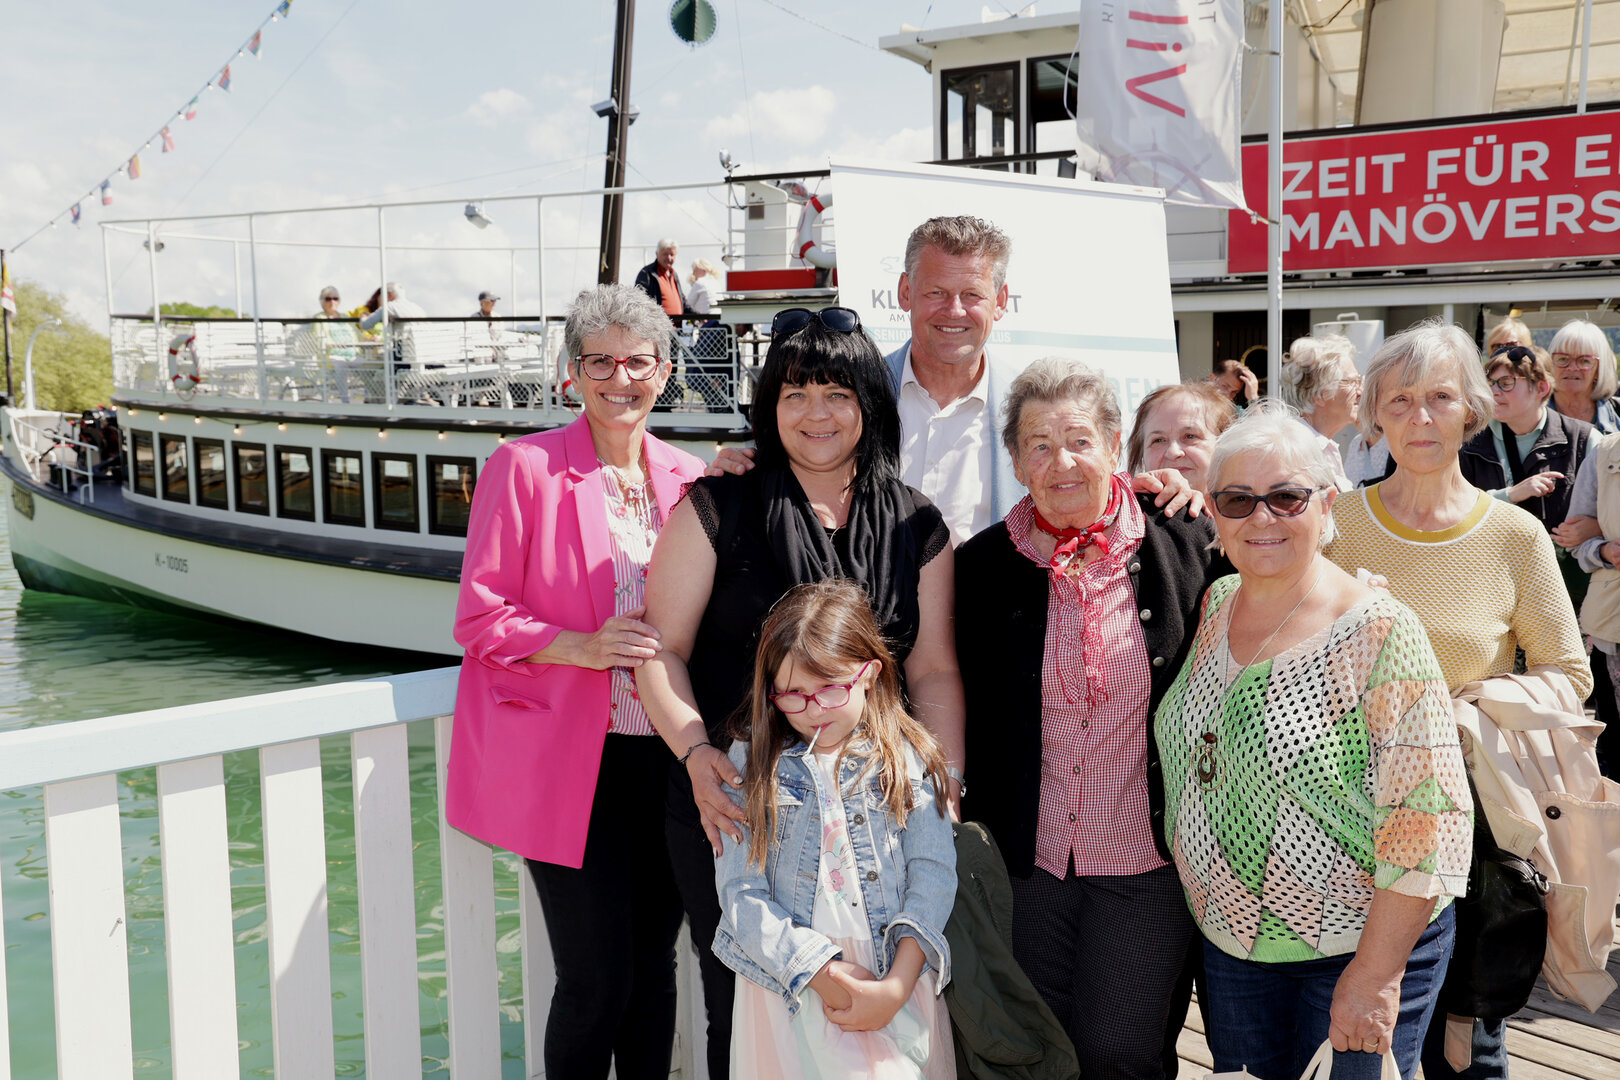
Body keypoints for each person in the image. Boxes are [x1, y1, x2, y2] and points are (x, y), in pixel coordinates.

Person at [637, 306, 965, 1078]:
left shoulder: (917, 521)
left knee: (892, 998)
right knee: (745, 1003)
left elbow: (934, 668)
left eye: (838, 394)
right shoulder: (718, 505)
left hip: (881, 807)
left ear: (869, 404)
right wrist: (693, 754)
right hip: (742, 806)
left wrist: (946, 773)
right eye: (795, 394)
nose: (816, 413)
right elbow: (660, 650)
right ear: (769, 407)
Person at [1155, 404, 1469, 1080]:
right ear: (1213, 509)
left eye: (1286, 497)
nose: (1261, 519)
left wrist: (1376, 975)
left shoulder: (1380, 630)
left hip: (1361, 947)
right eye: (1239, 500)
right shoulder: (1216, 605)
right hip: (1234, 948)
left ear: (1325, 505)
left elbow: (1428, 824)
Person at [445, 283, 705, 1080]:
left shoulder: (691, 476)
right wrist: (577, 646)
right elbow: (479, 618)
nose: (618, 378)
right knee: (595, 979)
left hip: (668, 754)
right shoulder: (523, 468)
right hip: (572, 761)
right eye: (600, 361)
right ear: (573, 371)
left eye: (637, 361)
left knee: (655, 969)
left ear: (664, 372)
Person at [1323, 319, 1592, 1080]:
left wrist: (1464, 705)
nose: (1420, 418)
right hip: (1344, 826)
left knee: (1466, 1048)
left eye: (1439, 397)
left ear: (1471, 408)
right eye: (1400, 401)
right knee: (1356, 1034)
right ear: (1374, 415)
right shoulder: (1336, 526)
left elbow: (1571, 675)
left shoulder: (1514, 535)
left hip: (1471, 831)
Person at [954, 356, 1230, 1079]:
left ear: (1116, 447)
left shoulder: (1188, 544)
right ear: (1015, 461)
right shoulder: (978, 567)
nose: (1062, 461)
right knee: (1038, 1047)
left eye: (1079, 440)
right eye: (1039, 445)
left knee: (1122, 1051)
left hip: (1146, 859)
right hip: (1029, 861)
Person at [706, 217, 1199, 545]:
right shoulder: (848, 396)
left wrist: (1161, 491)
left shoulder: (1030, 411)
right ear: (904, 292)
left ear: (1001, 301)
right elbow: (790, 463)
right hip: (856, 649)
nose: (954, 311)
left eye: (972, 294)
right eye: (937, 292)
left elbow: (1082, 485)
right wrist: (743, 465)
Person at [714, 580, 957, 1078]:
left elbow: (933, 875)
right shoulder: (750, 765)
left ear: (869, 674)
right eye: (794, 695)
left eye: (830, 688)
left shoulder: (907, 760)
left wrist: (896, 986)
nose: (814, 709)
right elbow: (741, 892)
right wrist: (820, 974)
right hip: (790, 985)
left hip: (894, 973)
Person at [1463, 344, 1596, 603]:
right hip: (1492, 589)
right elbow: (1454, 510)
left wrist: (1595, 526)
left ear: (1542, 388)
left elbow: (1613, 509)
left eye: (1506, 382)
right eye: (1490, 383)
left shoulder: (1586, 439)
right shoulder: (1469, 443)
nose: (1494, 392)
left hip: (1568, 593)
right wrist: (1510, 494)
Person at [1278, 334, 1360, 489]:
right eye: (1351, 382)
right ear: (1321, 394)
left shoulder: (1323, 446)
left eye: (1359, 381)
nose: (1360, 391)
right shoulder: (1294, 451)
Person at [1127, 381, 1238, 492]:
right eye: (1158, 440)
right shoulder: (1126, 508)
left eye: (1190, 436)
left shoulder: (1253, 507)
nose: (1173, 452)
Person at [1545, 318, 1620, 434]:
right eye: (1563, 359)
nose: (1572, 367)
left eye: (1584, 361)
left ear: (1599, 370)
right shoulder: (1531, 417)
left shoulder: (1617, 415)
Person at [359, 281, 428, 372]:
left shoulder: (390, 307)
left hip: (403, 358)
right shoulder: (418, 308)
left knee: (366, 367)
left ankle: (382, 385)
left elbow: (366, 325)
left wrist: (363, 317)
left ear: (390, 295)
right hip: (424, 356)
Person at [635, 238, 688, 319]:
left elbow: (683, 300)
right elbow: (639, 299)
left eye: (672, 255)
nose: (669, 258)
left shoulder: (674, 274)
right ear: (657, 254)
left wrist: (699, 316)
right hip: (659, 326)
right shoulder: (647, 273)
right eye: (665, 254)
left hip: (678, 328)